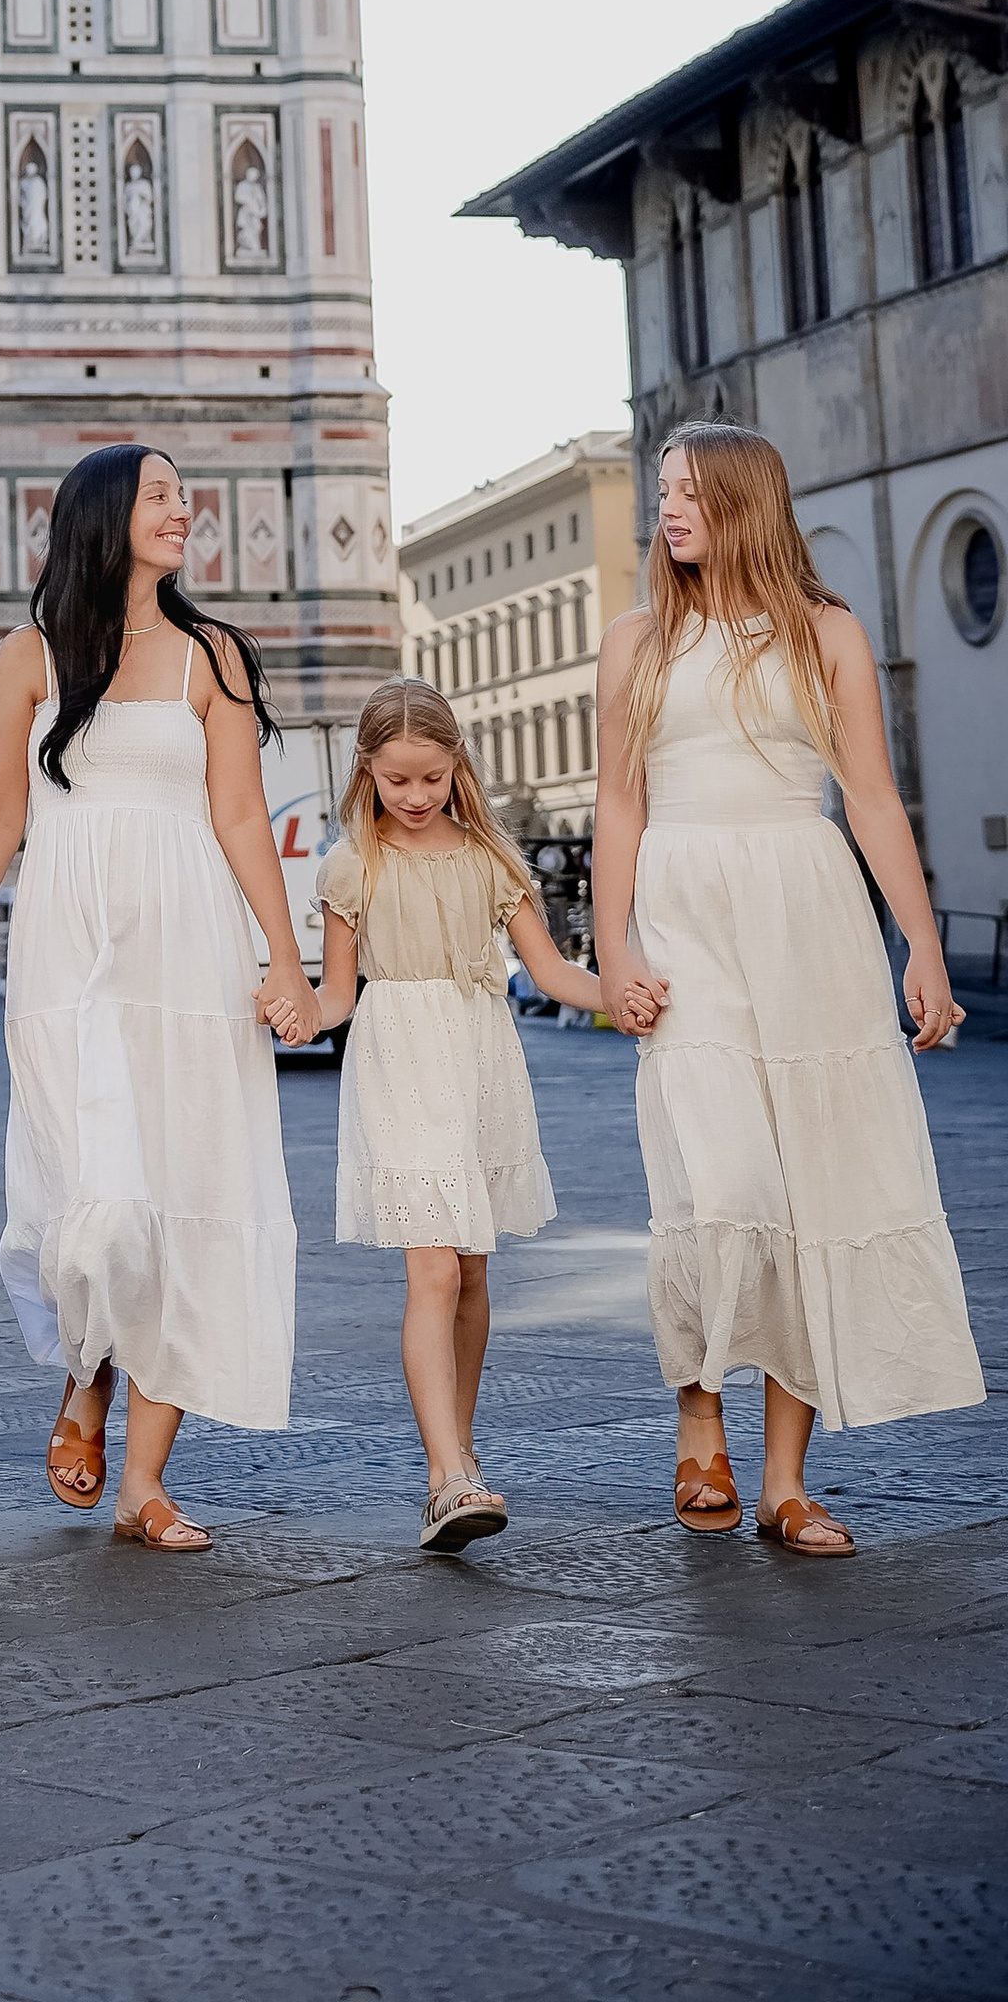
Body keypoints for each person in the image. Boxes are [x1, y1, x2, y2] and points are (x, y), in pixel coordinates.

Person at [593, 423, 983, 1555]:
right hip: (686, 911)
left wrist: (918, 943)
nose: (667, 511)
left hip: (807, 914)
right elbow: (620, 805)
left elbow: (867, 796)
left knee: (814, 1191)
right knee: (717, 1187)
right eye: (661, 491)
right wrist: (612, 950)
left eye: (689, 493)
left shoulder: (826, 634)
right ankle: (698, 1412)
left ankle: (784, 1484)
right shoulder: (635, 642)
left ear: (744, 504)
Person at [0, 444, 316, 1554]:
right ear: (103, 515)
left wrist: (283, 961)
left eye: (184, 496)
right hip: (70, 955)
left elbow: (243, 818)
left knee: (192, 1191)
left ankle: (145, 1481)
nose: (181, 510)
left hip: (189, 953)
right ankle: (85, 1369)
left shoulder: (213, 655)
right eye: (159, 495)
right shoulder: (28, 655)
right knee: (94, 1203)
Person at [312, 678, 617, 1551]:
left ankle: (461, 1454)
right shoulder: (351, 865)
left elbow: (555, 976)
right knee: (434, 1272)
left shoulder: (493, 861)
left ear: (457, 769)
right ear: (366, 768)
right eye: (397, 779)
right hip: (398, 1058)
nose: (414, 797)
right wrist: (294, 1006)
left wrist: (624, 999)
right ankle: (446, 1475)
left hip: (479, 1061)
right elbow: (338, 995)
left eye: (432, 780)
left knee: (475, 1273)